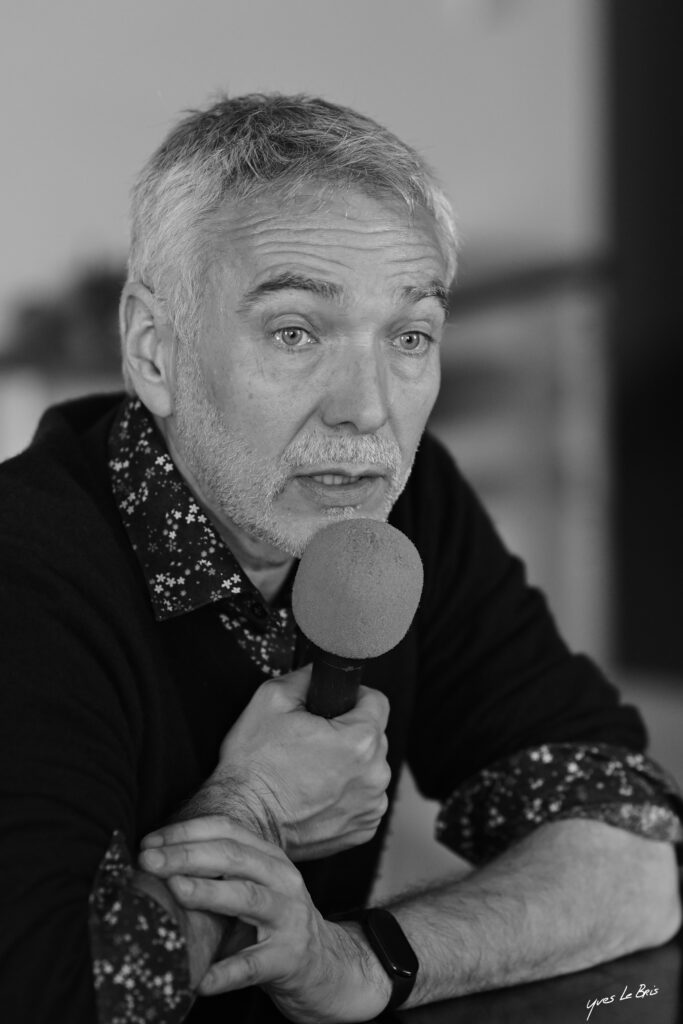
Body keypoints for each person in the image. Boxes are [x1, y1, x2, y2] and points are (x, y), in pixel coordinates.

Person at [0, 93, 681, 1024]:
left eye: (409, 338)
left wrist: (367, 961)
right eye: (295, 332)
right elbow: (53, 995)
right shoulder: (26, 572)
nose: (366, 410)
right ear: (154, 353)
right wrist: (250, 806)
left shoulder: (405, 501)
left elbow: (633, 853)